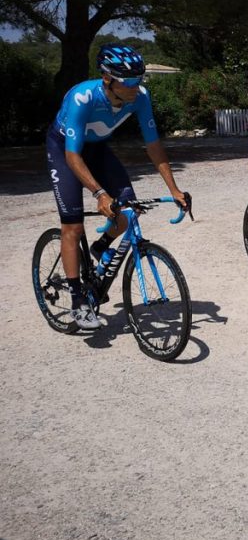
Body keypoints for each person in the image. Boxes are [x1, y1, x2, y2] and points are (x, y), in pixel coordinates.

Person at [46, 43, 191, 330]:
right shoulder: (82, 97)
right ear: (107, 79)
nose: (137, 87)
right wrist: (98, 193)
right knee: (73, 227)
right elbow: (72, 156)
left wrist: (174, 189)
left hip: (97, 148)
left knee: (129, 210)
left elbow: (153, 146)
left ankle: (101, 247)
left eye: (141, 79)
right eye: (130, 82)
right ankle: (78, 301)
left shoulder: (140, 97)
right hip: (65, 150)